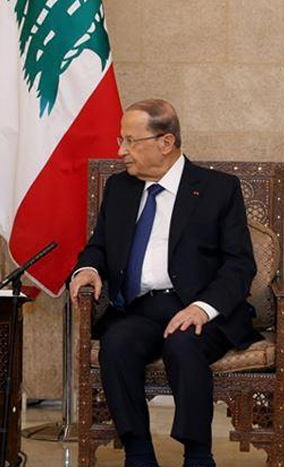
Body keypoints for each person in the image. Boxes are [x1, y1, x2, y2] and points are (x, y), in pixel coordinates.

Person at [69, 99, 261, 467]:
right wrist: (87, 269)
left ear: (166, 142)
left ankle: (197, 455)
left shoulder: (218, 188)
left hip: (201, 308)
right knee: (116, 344)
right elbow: (98, 246)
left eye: (130, 141)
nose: (120, 151)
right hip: (141, 309)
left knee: (184, 344)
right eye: (120, 140)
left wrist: (202, 308)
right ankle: (138, 453)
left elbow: (239, 264)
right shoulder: (120, 188)